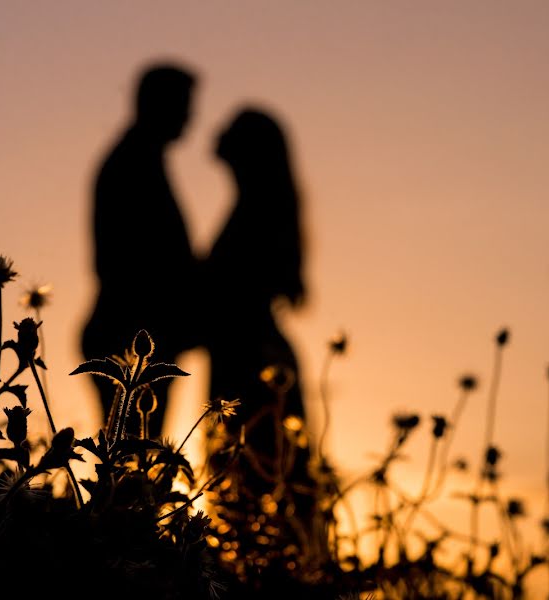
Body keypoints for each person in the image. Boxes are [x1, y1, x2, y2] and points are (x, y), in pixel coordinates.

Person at [201, 108, 322, 577]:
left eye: (230, 133)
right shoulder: (255, 206)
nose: (217, 135)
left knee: (257, 479)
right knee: (251, 482)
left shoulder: (257, 211)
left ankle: (275, 576)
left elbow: (227, 292)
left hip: (250, 360)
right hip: (245, 353)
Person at [81, 62, 199, 439]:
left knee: (135, 453)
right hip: (128, 334)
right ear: (156, 104)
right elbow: (129, 262)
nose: (190, 118)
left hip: (137, 333)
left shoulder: (143, 160)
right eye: (183, 105)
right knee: (131, 455)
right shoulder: (133, 164)